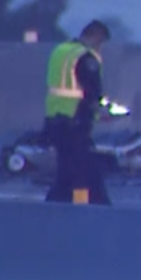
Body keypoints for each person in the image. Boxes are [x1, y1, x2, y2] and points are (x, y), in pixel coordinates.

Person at [43, 20, 113, 205]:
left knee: (66, 169)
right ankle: (98, 207)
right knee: (87, 170)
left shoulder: (60, 51)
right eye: (101, 44)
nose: (100, 49)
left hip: (54, 120)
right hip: (76, 122)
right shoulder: (86, 58)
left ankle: (56, 204)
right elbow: (93, 94)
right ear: (96, 37)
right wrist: (105, 111)